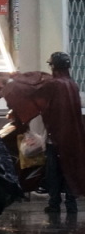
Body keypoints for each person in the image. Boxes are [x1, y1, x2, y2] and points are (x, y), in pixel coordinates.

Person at [42, 51, 81, 214]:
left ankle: (54, 204)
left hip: (56, 138)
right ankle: (71, 204)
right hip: (73, 137)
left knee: (54, 172)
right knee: (70, 170)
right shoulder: (72, 84)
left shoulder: (53, 85)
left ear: (54, 66)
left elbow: (47, 110)